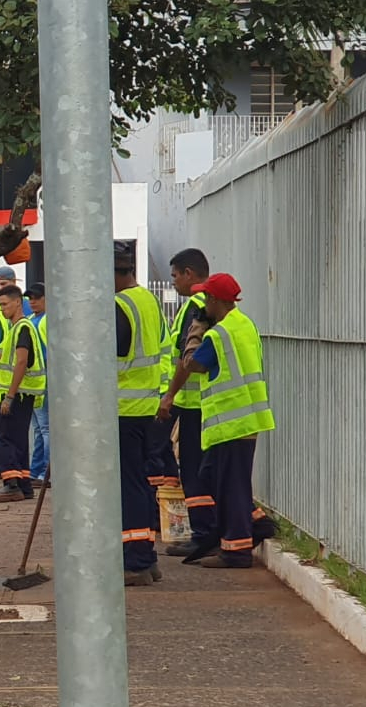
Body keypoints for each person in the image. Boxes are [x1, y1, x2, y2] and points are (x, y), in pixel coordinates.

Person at [158, 273, 275, 567]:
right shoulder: (244, 325)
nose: (203, 305)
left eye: (206, 298)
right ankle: (253, 523)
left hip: (230, 423)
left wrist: (196, 329)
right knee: (215, 478)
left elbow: (192, 363)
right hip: (244, 419)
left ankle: (236, 551)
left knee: (230, 487)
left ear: (214, 300)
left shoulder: (218, 335)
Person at [115, 243, 168, 585]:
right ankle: (147, 558)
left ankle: (136, 562)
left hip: (124, 409)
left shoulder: (119, 305)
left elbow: (113, 352)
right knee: (143, 484)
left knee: (129, 486)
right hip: (148, 405)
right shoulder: (148, 300)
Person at [158, 248, 216, 555]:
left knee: (193, 472)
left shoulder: (195, 308)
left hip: (194, 403)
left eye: (175, 276)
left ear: (189, 274)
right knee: (207, 470)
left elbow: (185, 359)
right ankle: (211, 530)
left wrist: (170, 395)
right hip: (206, 403)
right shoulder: (210, 305)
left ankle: (203, 534)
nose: (173, 282)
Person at [0, 286, 43, 503]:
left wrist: (9, 397)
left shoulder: (22, 328)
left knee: (2, 437)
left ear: (18, 302)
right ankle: (24, 484)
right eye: (0, 305)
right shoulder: (17, 328)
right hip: (22, 394)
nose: (2, 309)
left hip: (17, 394)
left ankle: (11, 484)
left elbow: (21, 362)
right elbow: (10, 359)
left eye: (5, 304)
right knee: (18, 439)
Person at [25, 283, 51, 487]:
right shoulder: (31, 320)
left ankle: (44, 472)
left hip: (43, 381)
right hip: (33, 382)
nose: (32, 302)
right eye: (30, 298)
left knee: (45, 429)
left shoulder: (46, 321)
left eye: (37, 298)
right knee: (39, 429)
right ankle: (36, 471)